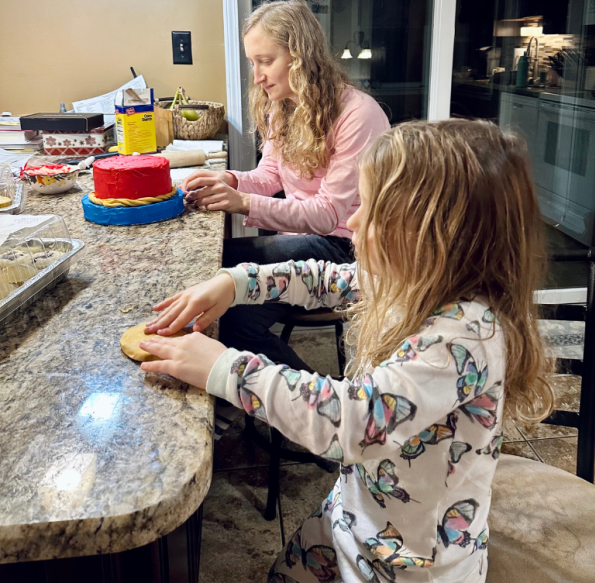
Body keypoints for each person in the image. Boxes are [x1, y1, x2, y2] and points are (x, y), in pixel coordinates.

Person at [140, 120, 554, 582]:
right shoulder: (411, 280)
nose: (352, 220)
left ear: (436, 234)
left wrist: (222, 369)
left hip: (412, 565)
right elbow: (324, 279)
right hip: (354, 518)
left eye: (372, 210)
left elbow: (350, 422)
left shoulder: (466, 337)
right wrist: (235, 283)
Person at [173, 0, 390, 372]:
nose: (257, 75)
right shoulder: (283, 107)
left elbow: (327, 216)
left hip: (348, 249)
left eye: (265, 61)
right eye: (252, 62)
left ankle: (319, 417)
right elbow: (269, 176)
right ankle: (258, 403)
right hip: (304, 242)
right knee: (226, 301)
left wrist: (242, 202)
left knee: (229, 295)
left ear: (301, 56)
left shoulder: (358, 113)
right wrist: (229, 179)